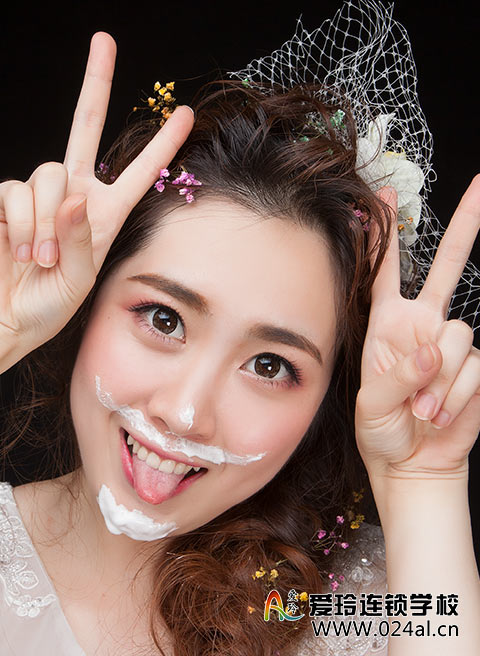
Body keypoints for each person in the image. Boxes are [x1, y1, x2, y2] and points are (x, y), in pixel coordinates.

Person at [1, 2, 479, 655]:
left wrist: (423, 483)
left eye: (270, 365)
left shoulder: (344, 610)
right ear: (85, 300)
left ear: (326, 402)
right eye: (164, 319)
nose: (185, 413)